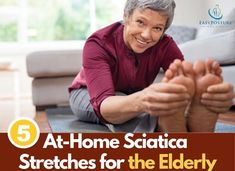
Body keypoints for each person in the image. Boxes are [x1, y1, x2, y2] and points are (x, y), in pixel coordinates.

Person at [69, 0, 235, 132]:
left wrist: (204, 94)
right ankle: (164, 123)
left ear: (164, 30)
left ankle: (178, 121)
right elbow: (104, 105)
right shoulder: (98, 43)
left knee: (161, 99)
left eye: (157, 28)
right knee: (133, 107)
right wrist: (143, 98)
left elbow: (184, 80)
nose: (147, 35)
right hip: (89, 93)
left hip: (133, 93)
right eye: (141, 22)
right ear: (126, 16)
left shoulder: (165, 45)